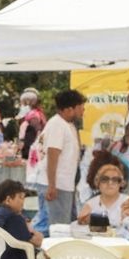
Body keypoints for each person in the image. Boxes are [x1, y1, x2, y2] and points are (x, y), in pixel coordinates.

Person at [32, 88, 86, 235]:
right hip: (56, 185)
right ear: (69, 109)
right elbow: (53, 154)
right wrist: (52, 185)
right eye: (81, 107)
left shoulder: (68, 125)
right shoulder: (57, 125)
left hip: (64, 185)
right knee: (55, 228)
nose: (83, 111)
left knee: (62, 226)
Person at [0, 179, 48, 259]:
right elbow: (35, 241)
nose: (23, 202)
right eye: (20, 197)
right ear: (8, 199)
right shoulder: (14, 218)